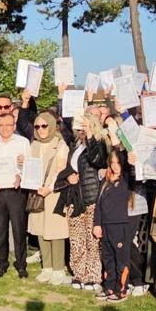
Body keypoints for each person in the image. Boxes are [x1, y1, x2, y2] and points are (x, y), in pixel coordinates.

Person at [62, 113, 109, 290]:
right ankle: (79, 273)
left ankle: (93, 275)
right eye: (81, 126)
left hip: (91, 197)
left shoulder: (99, 143)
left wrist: (90, 136)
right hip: (74, 197)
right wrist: (69, 176)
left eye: (86, 126)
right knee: (77, 239)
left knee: (92, 238)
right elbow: (68, 167)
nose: (82, 129)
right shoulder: (75, 146)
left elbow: (97, 160)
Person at [28, 112, 71, 286]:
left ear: (52, 125)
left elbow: (60, 170)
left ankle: (58, 269)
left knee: (56, 231)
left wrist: (49, 188)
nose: (41, 129)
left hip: (54, 193)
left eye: (44, 126)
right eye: (37, 126)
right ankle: (47, 267)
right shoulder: (34, 145)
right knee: (40, 229)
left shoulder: (60, 145)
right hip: (37, 192)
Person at [0, 113, 31, 278]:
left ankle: (21, 264)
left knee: (19, 230)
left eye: (8, 125)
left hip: (16, 191)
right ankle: (1, 264)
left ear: (14, 126)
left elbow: (30, 165)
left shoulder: (23, 142)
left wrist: (21, 175)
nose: (5, 128)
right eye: (2, 125)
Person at [93, 149, 131, 303]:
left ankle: (122, 289)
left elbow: (132, 169)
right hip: (105, 226)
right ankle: (109, 287)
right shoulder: (105, 180)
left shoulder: (126, 179)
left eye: (118, 163)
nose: (115, 166)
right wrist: (97, 224)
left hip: (120, 226)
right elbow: (98, 204)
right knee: (108, 258)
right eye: (112, 162)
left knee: (120, 259)